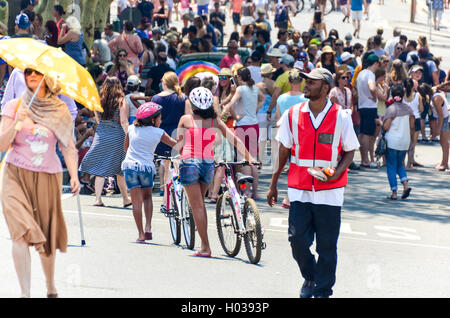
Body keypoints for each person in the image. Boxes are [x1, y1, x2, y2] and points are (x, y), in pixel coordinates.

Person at [267, 68, 359, 298]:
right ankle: (311, 276)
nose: (306, 84)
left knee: (327, 246)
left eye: (312, 82)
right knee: (297, 240)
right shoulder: (292, 114)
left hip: (330, 191)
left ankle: (323, 290)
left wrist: (336, 174)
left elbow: (350, 151)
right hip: (299, 188)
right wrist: (273, 183)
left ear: (325, 87)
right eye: (306, 80)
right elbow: (284, 149)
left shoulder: (341, 116)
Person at [0, 66, 80, 298]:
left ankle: (50, 285)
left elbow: (68, 146)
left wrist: (74, 175)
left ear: (47, 78)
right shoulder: (13, 107)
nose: (32, 76)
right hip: (15, 174)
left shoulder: (60, 110)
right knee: (20, 233)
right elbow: (2, 145)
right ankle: (25, 293)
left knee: (46, 236)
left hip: (48, 176)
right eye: (27, 73)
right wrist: (17, 123)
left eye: (37, 73)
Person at [177, 86, 255, 257]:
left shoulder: (185, 119)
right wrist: (250, 157)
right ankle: (205, 245)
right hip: (207, 164)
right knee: (201, 205)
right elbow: (234, 140)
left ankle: (205, 247)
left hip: (189, 162)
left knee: (196, 206)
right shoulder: (215, 122)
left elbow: (180, 144)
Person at [123, 102, 178, 243]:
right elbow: (175, 145)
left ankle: (141, 234)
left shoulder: (130, 129)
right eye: (159, 118)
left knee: (136, 202)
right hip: (146, 168)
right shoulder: (158, 132)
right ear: (153, 120)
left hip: (130, 167)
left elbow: (125, 148)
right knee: (147, 197)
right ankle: (148, 227)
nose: (161, 120)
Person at [79, 77, 132, 208]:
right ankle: (125, 199)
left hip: (102, 135)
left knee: (99, 168)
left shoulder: (98, 101)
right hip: (118, 136)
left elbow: (97, 120)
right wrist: (129, 136)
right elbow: (124, 121)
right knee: (120, 169)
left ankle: (98, 199)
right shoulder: (121, 101)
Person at [224, 67, 265, 199]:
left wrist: (235, 117)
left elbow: (230, 105)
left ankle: (246, 191)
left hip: (242, 125)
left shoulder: (240, 89)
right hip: (254, 124)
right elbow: (262, 99)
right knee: (253, 158)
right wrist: (255, 110)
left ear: (239, 78)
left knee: (243, 159)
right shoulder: (255, 88)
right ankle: (255, 192)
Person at [151, 72, 187, 195]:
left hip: (161, 135)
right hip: (178, 135)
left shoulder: (156, 98)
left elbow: (153, 119)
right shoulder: (182, 98)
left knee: (167, 168)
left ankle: (167, 199)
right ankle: (177, 196)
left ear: (164, 83)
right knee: (177, 167)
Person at [383, 84, 414, 200]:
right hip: (404, 141)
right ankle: (406, 184)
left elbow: (386, 127)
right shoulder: (408, 109)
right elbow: (411, 126)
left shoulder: (391, 109)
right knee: (400, 164)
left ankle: (394, 192)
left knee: (391, 166)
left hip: (392, 141)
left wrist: (380, 123)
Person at [356, 53, 382, 168]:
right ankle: (365, 160)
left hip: (361, 105)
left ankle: (363, 158)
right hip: (370, 106)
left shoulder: (361, 73)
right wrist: (375, 96)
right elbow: (372, 87)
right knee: (367, 134)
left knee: (362, 133)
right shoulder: (370, 74)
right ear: (375, 63)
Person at [256, 63, 276, 168]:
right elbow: (276, 97)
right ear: (271, 74)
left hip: (261, 113)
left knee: (262, 138)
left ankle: (260, 161)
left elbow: (257, 100)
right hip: (273, 112)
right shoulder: (274, 84)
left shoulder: (258, 86)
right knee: (273, 138)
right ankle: (274, 162)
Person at [403, 78, 424, 170]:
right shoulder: (417, 95)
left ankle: (402, 164)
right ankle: (409, 164)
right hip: (415, 119)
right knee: (412, 143)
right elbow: (421, 109)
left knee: (404, 143)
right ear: (412, 86)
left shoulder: (402, 94)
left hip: (404, 119)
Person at [431, 86, 450, 171]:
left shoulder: (436, 98)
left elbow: (441, 116)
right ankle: (443, 162)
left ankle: (445, 164)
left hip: (446, 118)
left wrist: (437, 130)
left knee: (444, 142)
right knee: (443, 142)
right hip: (445, 117)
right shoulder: (436, 96)